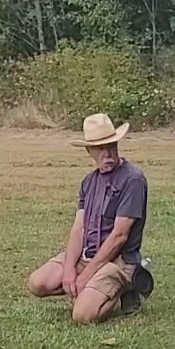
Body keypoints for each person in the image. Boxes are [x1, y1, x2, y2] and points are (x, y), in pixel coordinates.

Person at [27, 113, 150, 324]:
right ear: (89, 151)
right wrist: (68, 270)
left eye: (111, 146)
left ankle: (127, 285)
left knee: (82, 315)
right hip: (88, 255)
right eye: (100, 148)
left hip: (118, 260)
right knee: (37, 283)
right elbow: (79, 229)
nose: (108, 153)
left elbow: (119, 236)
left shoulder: (133, 180)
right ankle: (94, 290)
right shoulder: (88, 182)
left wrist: (86, 275)